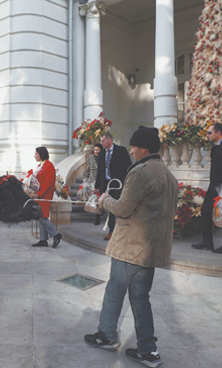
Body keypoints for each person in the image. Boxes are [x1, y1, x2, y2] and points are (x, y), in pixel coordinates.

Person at [85, 126, 176, 368]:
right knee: (140, 298)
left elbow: (124, 208)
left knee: (114, 291)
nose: (132, 151)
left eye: (134, 146)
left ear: (144, 147)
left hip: (131, 247)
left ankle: (106, 335)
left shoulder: (142, 172)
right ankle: (148, 350)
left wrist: (105, 200)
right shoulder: (167, 173)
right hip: (150, 249)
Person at [192, 123, 222, 254]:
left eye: (209, 133)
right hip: (215, 186)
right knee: (206, 211)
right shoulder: (217, 147)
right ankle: (207, 241)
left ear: (218, 133)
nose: (207, 135)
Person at [95, 132, 132, 239]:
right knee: (109, 208)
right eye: (101, 141)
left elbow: (128, 167)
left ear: (110, 140)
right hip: (106, 184)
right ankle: (112, 230)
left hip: (118, 184)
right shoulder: (102, 153)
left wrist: (128, 183)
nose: (101, 143)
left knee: (117, 207)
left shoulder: (121, 151)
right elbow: (100, 171)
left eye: (103, 141)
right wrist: (96, 187)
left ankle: (116, 231)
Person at [31, 146, 62, 248]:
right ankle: (43, 240)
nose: (35, 156)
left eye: (36, 154)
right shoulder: (42, 165)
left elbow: (48, 182)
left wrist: (39, 193)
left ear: (41, 154)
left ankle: (56, 234)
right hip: (40, 193)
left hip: (45, 194)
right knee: (41, 216)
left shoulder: (49, 166)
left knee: (41, 216)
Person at [78, 143, 102, 224]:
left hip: (101, 182)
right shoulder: (90, 159)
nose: (96, 151)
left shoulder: (104, 159)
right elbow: (87, 171)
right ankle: (97, 217)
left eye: (97, 150)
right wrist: (85, 180)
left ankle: (101, 212)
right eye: (95, 150)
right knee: (94, 198)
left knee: (99, 198)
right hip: (92, 181)